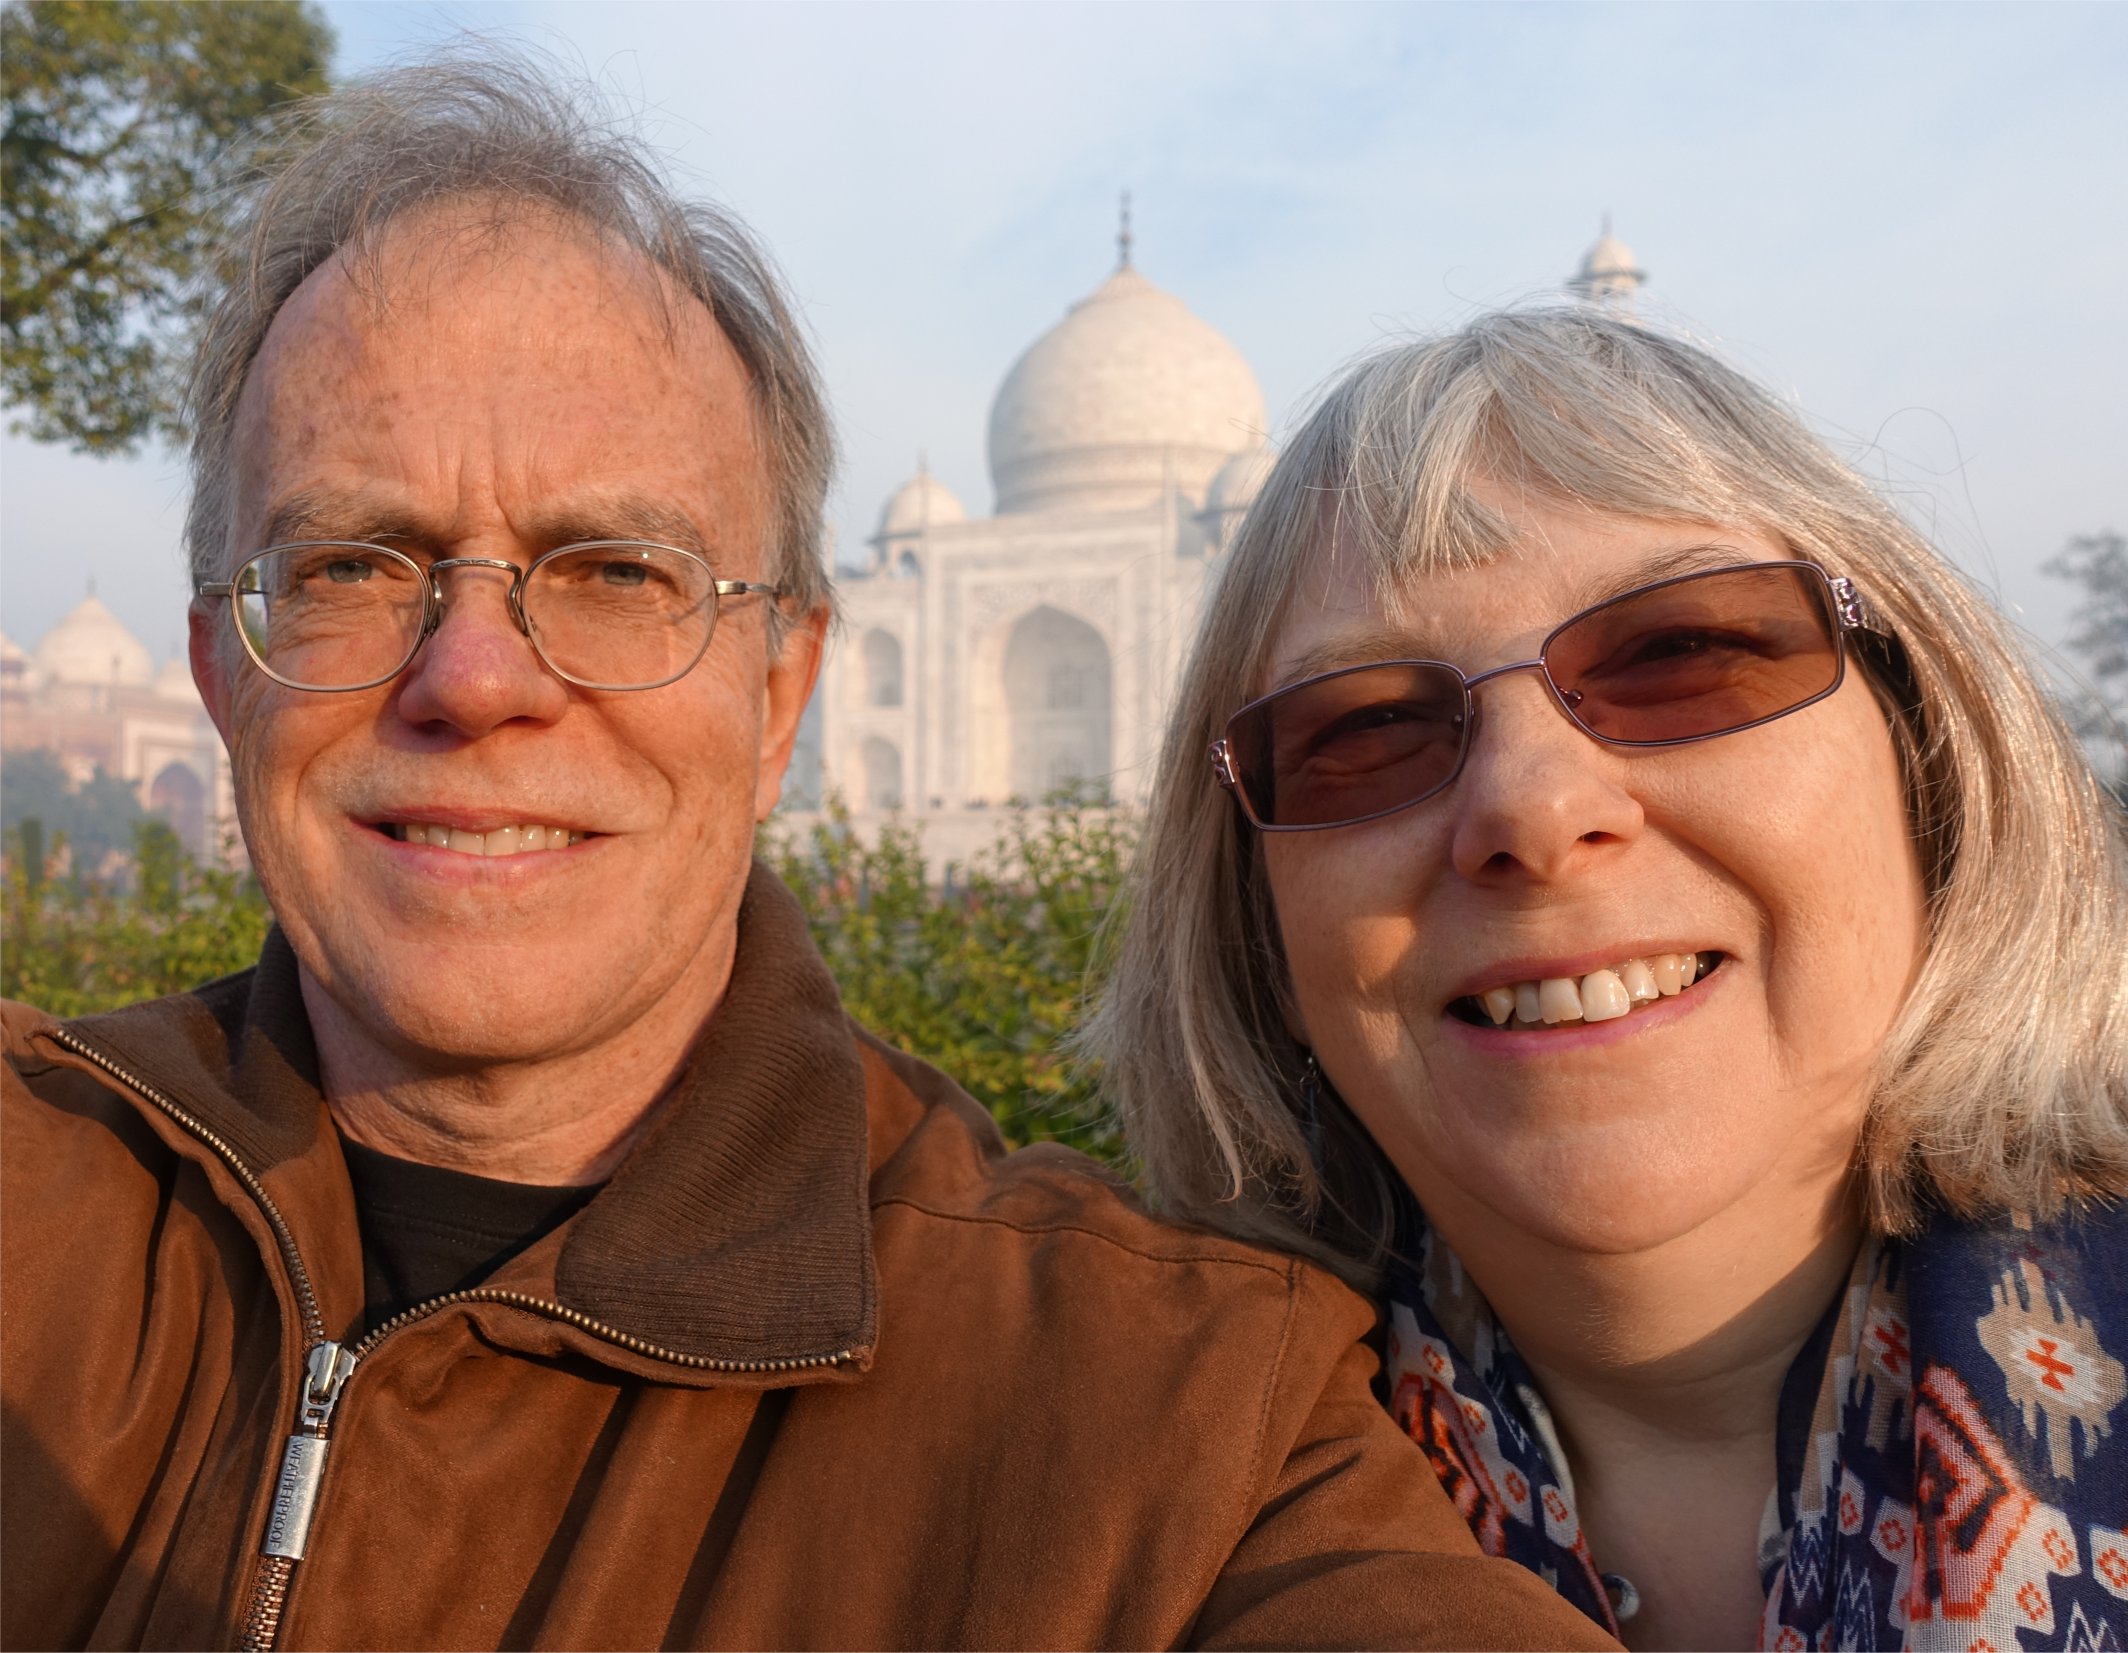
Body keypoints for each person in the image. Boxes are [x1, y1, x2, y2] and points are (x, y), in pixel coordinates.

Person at [0, 62, 1615, 1653]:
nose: (477, 679)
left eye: (619, 570)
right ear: (221, 671)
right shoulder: (34, 1190)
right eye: (353, 562)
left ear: (783, 694)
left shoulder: (1163, 1424)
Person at [1089, 308, 2128, 1651]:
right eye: (1366, 730)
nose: (1532, 806)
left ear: (1926, 756)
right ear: (1259, 917)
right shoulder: (1121, 1502)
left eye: (1684, 652)